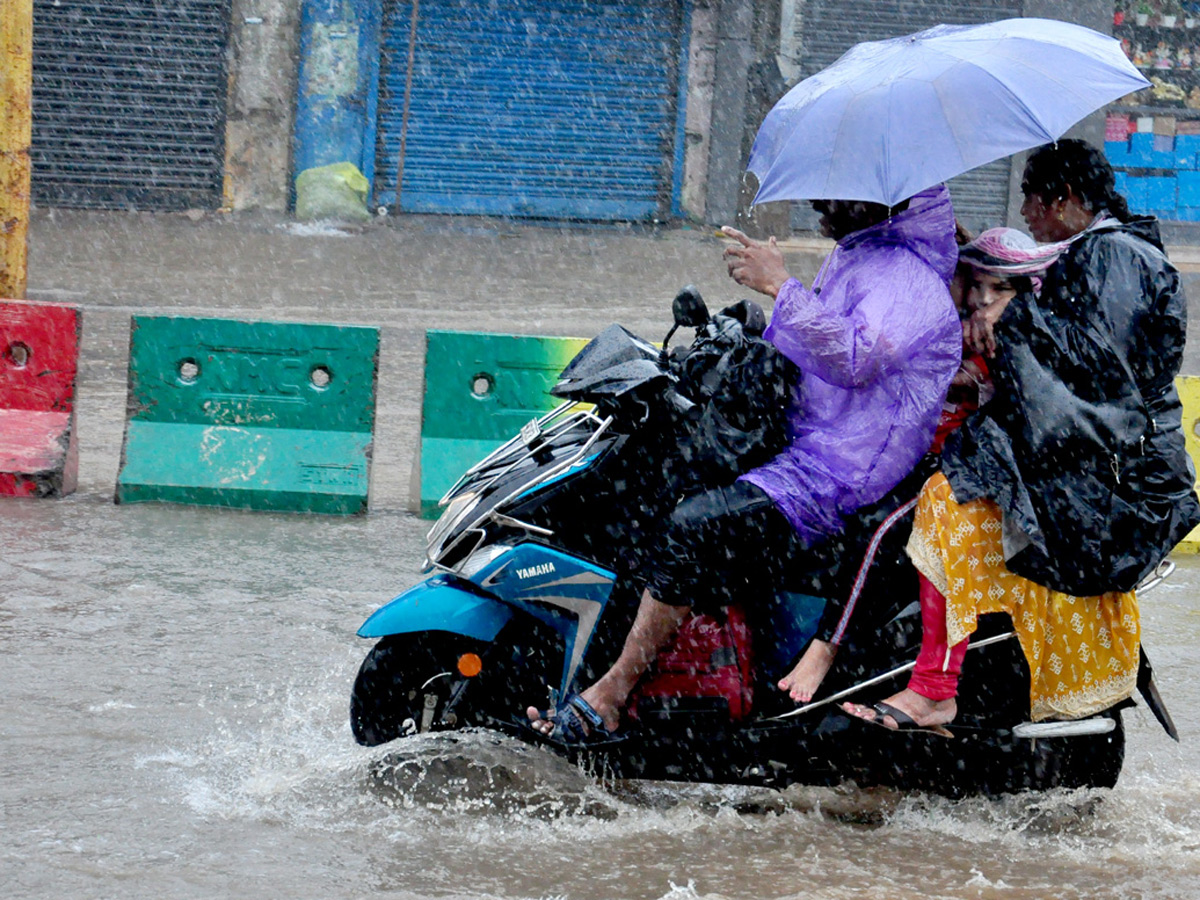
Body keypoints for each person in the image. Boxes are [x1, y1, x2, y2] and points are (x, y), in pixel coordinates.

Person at [527, 187, 962, 741]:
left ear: (882, 202)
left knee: (692, 527)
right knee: (656, 487)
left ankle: (612, 693)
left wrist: (781, 285)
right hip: (809, 442)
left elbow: (853, 357)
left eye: (837, 196)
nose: (819, 205)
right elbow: (815, 342)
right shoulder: (861, 253)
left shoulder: (908, 278)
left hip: (837, 472)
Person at [844, 139, 1200, 732]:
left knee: (944, 502)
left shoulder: (1114, 255)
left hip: (1114, 484)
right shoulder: (1098, 251)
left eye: (1031, 200)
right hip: (1094, 462)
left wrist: (1012, 323)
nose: (1027, 215)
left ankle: (933, 687)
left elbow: (1096, 375)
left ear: (1062, 199)